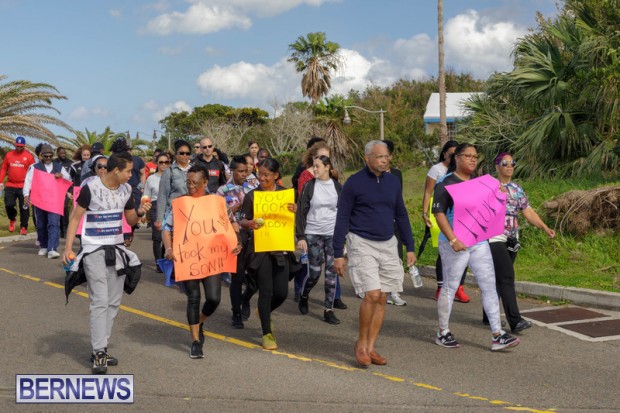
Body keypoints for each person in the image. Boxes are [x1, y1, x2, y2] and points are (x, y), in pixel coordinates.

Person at [63, 152, 151, 374]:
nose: (132, 176)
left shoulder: (127, 190)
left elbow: (130, 219)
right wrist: (68, 248)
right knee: (100, 300)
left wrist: (141, 212)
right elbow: (75, 218)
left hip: (117, 250)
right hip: (93, 250)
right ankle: (100, 351)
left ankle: (99, 348)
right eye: (129, 171)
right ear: (116, 171)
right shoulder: (90, 189)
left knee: (113, 301)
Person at [333, 140, 416, 367]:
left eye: (386, 156)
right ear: (367, 158)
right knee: (371, 294)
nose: (384, 160)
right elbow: (342, 218)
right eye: (379, 157)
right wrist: (338, 252)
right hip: (361, 241)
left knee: (382, 296)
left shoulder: (392, 182)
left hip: (388, 242)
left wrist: (410, 246)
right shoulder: (354, 183)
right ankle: (360, 345)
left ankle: (371, 347)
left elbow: (401, 213)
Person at [432, 143, 520, 351]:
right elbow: (439, 213)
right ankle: (442, 332)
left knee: (489, 285)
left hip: (479, 242)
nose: (472, 159)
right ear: (457, 158)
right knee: (450, 287)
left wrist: (497, 193)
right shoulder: (445, 183)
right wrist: (453, 240)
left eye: (475, 156)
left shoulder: (481, 182)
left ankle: (497, 334)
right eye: (468, 156)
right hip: (455, 245)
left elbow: (492, 207)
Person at [162, 164, 242, 358]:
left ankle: (199, 320)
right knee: (194, 297)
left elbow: (232, 223)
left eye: (195, 183)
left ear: (205, 182)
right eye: (188, 182)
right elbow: (166, 227)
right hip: (188, 258)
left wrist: (237, 241)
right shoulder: (179, 203)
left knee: (214, 298)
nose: (190, 186)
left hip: (211, 258)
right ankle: (196, 341)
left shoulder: (217, 202)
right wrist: (169, 248)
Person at [481, 152, 556, 333]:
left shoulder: (517, 189)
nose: (509, 166)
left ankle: (487, 314)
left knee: (499, 277)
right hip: (494, 236)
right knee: (507, 276)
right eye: (505, 163)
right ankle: (515, 320)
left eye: (512, 163)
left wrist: (544, 227)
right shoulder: (488, 186)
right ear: (497, 166)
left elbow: (528, 212)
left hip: (512, 237)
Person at [239, 158, 298, 350]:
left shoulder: (285, 194)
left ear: (276, 176)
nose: (261, 178)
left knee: (281, 292)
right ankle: (267, 333)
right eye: (259, 174)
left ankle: (264, 311)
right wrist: (250, 224)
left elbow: (293, 218)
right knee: (266, 290)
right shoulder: (252, 196)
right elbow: (242, 221)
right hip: (260, 249)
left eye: (266, 175)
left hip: (280, 247)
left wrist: (295, 210)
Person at [296, 155, 343, 324]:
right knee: (314, 273)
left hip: (332, 234)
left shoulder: (337, 187)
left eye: (317, 166)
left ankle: (328, 309)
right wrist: (300, 236)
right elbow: (301, 212)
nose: (314, 170)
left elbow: (343, 213)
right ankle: (304, 295)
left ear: (327, 167)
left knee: (331, 274)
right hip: (313, 233)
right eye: (313, 166)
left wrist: (344, 238)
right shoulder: (309, 186)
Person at [421, 140, 470, 303]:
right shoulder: (437, 170)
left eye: (457, 153)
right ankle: (441, 286)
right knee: (444, 251)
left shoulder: (464, 172)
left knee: (464, 251)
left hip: (462, 216)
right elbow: (428, 192)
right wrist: (425, 212)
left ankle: (459, 287)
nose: (454, 156)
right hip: (440, 213)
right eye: (451, 153)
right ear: (444, 153)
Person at [216, 156, 251, 328]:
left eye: (246, 171)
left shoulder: (253, 188)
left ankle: (246, 298)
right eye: (241, 171)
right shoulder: (222, 191)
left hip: (253, 236)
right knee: (237, 277)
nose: (245, 174)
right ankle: (236, 312)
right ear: (232, 171)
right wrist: (234, 208)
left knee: (255, 278)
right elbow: (218, 215)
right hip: (234, 237)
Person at [23, 144, 71, 258]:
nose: (48, 158)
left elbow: (69, 179)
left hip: (54, 201)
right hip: (39, 200)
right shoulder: (34, 167)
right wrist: (26, 195)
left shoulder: (59, 167)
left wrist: (61, 176)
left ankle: (52, 249)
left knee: (54, 223)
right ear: (41, 155)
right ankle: (44, 246)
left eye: (50, 156)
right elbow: (28, 182)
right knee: (41, 224)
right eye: (46, 156)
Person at [383, 139, 408, 307]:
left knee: (397, 256)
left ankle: (394, 292)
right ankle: (377, 291)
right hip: (375, 222)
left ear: (390, 156)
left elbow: (399, 198)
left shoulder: (397, 174)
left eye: (385, 154)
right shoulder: (368, 174)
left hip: (394, 220)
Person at [0, 136, 36, 235]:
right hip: (10, 185)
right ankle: (12, 218)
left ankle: (23, 227)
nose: (19, 148)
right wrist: (0, 181)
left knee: (24, 207)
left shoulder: (29, 157)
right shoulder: (9, 155)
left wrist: (33, 186)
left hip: (24, 186)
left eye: (21, 146)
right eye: (17, 146)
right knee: (9, 204)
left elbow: (34, 172)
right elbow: (3, 169)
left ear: (24, 146)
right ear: (15, 145)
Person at [154, 140, 193, 232]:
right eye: (182, 153)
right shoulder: (169, 172)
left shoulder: (195, 170)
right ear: (176, 154)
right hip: (174, 214)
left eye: (187, 153)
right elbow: (162, 195)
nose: (185, 155)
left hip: (192, 213)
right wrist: (159, 219)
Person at [144, 152, 170, 272]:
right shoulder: (151, 178)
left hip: (169, 207)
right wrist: (144, 212)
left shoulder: (172, 177)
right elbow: (146, 195)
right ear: (157, 164)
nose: (164, 165)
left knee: (168, 234)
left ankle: (165, 259)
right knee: (157, 237)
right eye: (161, 162)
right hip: (155, 206)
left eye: (166, 162)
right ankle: (159, 263)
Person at [55, 147, 73, 238]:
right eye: (61, 153)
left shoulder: (70, 163)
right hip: (56, 190)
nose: (63, 155)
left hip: (66, 190)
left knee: (64, 208)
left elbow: (70, 178)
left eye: (64, 153)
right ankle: (59, 229)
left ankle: (65, 230)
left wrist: (70, 191)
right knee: (57, 209)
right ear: (57, 153)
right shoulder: (54, 163)